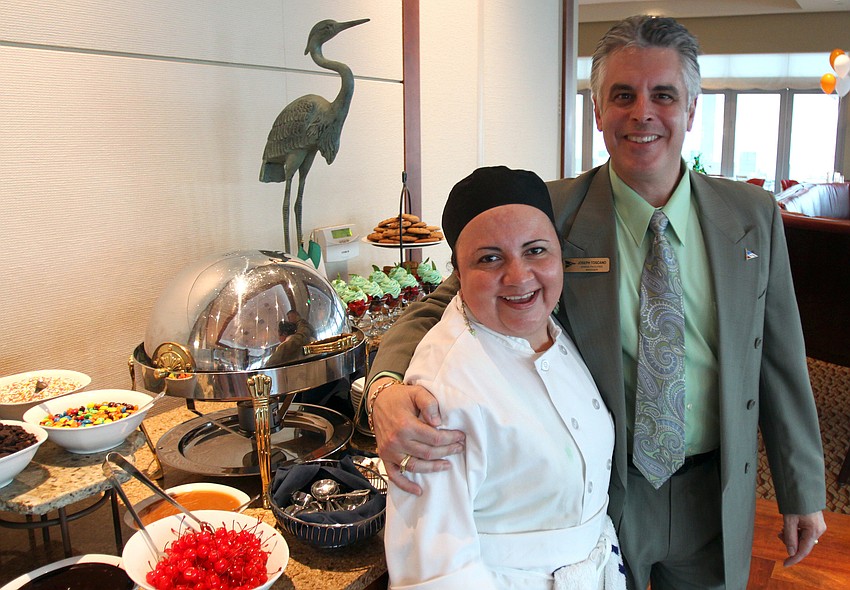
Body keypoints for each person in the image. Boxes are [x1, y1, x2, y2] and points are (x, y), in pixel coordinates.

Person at [365, 14, 827, 590]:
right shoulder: (549, 214)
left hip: (716, 489)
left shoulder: (752, 218)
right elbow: (443, 301)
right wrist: (383, 390)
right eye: (623, 96)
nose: (643, 114)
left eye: (664, 95)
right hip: (609, 493)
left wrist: (801, 487)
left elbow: (780, 359)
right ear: (598, 112)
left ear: (691, 108)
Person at [384, 165, 625, 589]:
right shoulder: (441, 393)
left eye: (535, 251)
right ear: (457, 274)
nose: (519, 277)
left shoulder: (549, 328)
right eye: (489, 258)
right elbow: (433, 570)